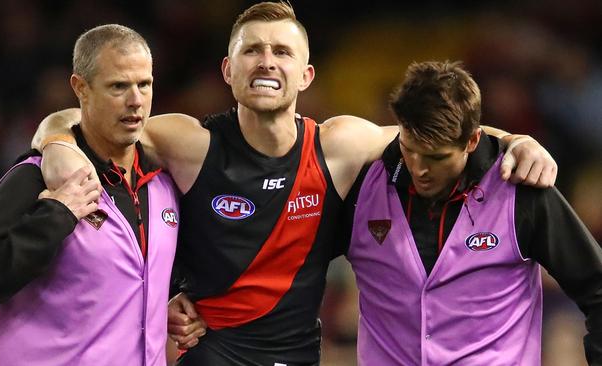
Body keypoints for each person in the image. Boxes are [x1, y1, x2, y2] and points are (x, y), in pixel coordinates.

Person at [31, 3, 557, 365]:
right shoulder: (188, 142)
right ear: (227, 71)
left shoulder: (341, 145)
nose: (266, 61)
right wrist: (55, 147)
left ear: (306, 74)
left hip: (300, 355)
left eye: (281, 52)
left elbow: (442, 132)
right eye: (252, 51)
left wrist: (517, 140)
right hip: (210, 354)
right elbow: (78, 119)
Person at [344, 60, 602, 365]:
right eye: (408, 149)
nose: (420, 168)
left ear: (472, 140)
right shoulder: (359, 187)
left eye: (436, 157)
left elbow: (596, 288)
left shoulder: (520, 188)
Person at [0, 24, 181, 365]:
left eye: (144, 84)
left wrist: (179, 301)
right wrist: (55, 216)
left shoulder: (162, 184)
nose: (135, 100)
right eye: (118, 86)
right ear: (81, 88)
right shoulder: (37, 176)